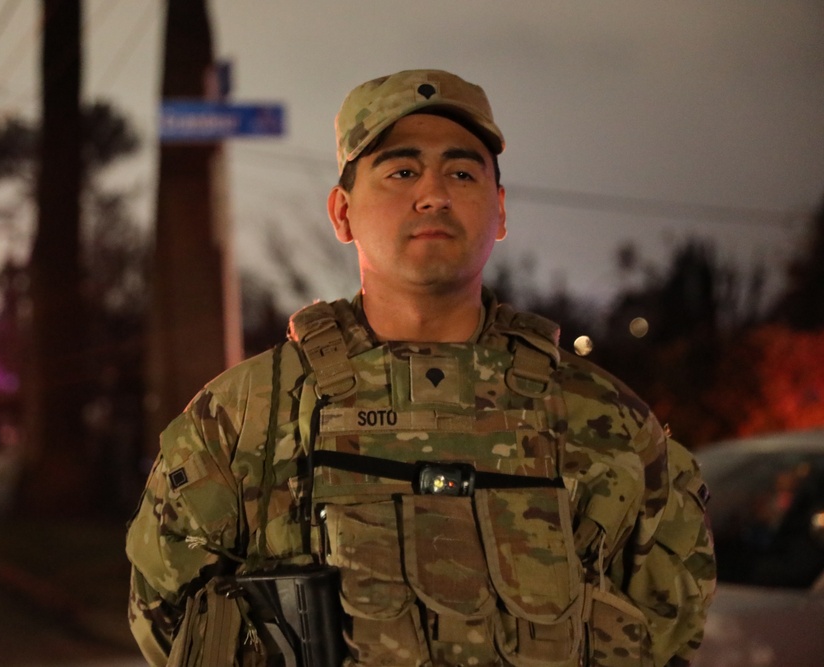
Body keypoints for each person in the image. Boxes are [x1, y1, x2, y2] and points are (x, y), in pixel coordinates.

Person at [126, 69, 716, 667]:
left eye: (462, 173)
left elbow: (666, 627)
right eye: (402, 172)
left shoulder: (604, 423)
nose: (434, 194)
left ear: (501, 210)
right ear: (342, 212)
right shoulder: (245, 415)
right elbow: (172, 622)